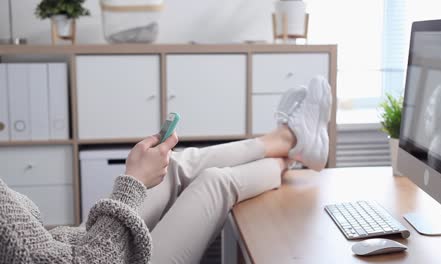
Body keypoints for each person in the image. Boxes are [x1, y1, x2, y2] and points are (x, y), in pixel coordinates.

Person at [0, 76, 332, 264]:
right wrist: (131, 183)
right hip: (97, 256)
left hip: (81, 247)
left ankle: (287, 143)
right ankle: (291, 144)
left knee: (173, 165)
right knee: (215, 183)